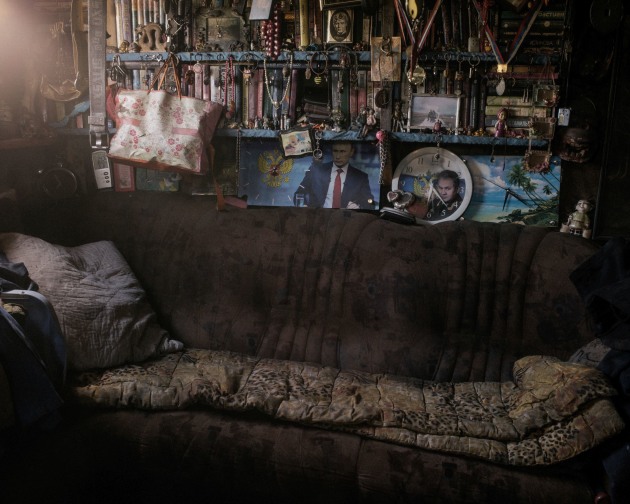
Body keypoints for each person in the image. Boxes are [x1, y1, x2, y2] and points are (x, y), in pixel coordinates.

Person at [294, 141, 374, 209]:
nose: (338, 156)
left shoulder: (361, 177)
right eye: (335, 151)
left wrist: (359, 207)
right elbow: (299, 194)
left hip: (345, 219)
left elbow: (369, 203)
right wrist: (304, 206)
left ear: (351, 152)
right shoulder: (316, 170)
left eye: (342, 151)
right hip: (318, 217)